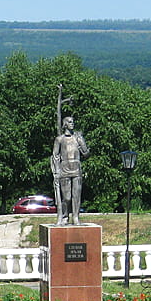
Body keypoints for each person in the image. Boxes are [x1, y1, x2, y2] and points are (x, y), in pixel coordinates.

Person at [50, 88, 88, 225]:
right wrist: (56, 172)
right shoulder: (59, 139)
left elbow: (86, 153)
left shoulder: (77, 137)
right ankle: (65, 216)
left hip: (76, 168)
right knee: (66, 197)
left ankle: (76, 217)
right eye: (70, 122)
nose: (73, 124)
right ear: (65, 124)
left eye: (73, 122)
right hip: (64, 169)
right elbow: (55, 156)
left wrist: (82, 142)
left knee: (76, 196)